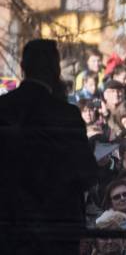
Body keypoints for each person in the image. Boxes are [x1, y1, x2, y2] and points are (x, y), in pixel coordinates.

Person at [0, 39, 97, 254]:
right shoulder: (66, 114)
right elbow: (87, 174)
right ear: (56, 69)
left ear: (23, 68)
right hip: (56, 231)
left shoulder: (3, 109)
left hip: (9, 229)